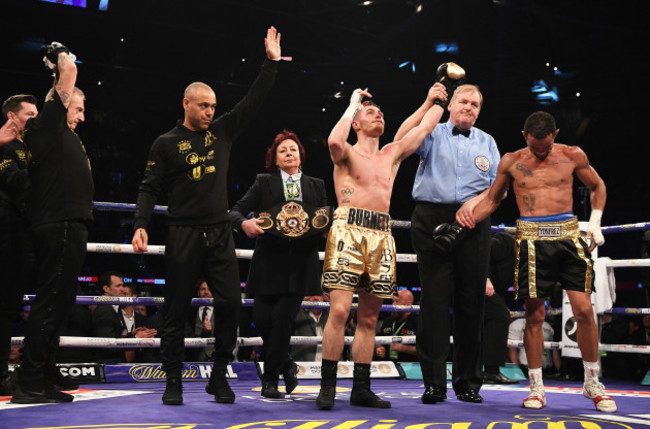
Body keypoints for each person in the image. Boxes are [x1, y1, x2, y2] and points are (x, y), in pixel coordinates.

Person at [131, 27, 283, 406]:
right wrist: (140, 224)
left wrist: (271, 64)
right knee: (175, 309)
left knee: (231, 303)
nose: (210, 112)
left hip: (218, 232)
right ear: (186, 103)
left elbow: (253, 100)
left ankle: (218, 377)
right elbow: (149, 187)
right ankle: (173, 382)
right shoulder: (165, 143)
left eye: (213, 106)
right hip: (182, 231)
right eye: (204, 106)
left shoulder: (222, 132)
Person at [461, 111, 616, 412]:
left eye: (544, 146)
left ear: (555, 135)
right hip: (531, 239)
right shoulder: (511, 161)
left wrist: (594, 222)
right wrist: (463, 223)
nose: (540, 152)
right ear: (524, 136)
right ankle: (537, 388)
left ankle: (593, 382)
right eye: (534, 146)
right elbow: (493, 199)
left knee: (584, 311)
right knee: (534, 315)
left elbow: (598, 186)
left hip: (569, 237)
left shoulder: (572, 155)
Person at [316, 82, 447, 410]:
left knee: (370, 319)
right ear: (356, 123)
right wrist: (352, 104)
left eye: (381, 113)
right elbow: (334, 139)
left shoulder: (392, 154)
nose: (379, 115)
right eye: (371, 112)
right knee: (341, 309)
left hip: (381, 233)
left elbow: (425, 126)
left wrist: (437, 98)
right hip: (348, 228)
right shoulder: (345, 153)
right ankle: (328, 385)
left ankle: (361, 387)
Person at [397, 79, 501, 404]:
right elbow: (401, 140)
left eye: (475, 104)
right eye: (465, 102)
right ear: (452, 105)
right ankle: (433, 384)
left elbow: (499, 187)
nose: (469, 108)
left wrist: (477, 204)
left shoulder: (488, 142)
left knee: (472, 302)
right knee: (434, 301)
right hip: (431, 217)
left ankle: (469, 382)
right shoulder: (434, 130)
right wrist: (429, 103)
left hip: (475, 220)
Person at [10, 42, 93, 404]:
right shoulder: (47, 126)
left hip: (67, 223)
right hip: (58, 223)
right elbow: (69, 72)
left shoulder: (62, 136)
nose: (82, 116)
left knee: (59, 303)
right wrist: (58, 52)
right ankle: (29, 381)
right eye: (78, 107)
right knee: (50, 303)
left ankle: (42, 374)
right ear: (58, 106)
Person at [229, 129, 327, 398]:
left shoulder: (316, 185)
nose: (288, 154)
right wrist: (244, 223)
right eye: (282, 150)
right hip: (267, 263)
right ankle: (286, 363)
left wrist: (327, 228)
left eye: (292, 149)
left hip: (299, 265)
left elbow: (322, 220)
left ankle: (270, 380)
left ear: (300, 156)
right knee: (262, 321)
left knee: (282, 320)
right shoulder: (263, 182)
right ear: (274, 157)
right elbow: (235, 211)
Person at [0, 94, 38, 395]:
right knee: (4, 308)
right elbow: (12, 182)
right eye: (29, 113)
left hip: (25, 233)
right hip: (8, 234)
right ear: (13, 117)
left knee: (13, 306)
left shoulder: (28, 148)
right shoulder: (7, 147)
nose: (35, 118)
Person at [92, 272, 156, 363]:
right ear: (106, 289)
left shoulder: (114, 309)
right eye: (118, 286)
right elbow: (108, 345)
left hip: (114, 365)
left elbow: (115, 336)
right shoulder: (104, 310)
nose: (122, 289)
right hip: (108, 366)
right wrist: (135, 339)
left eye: (122, 285)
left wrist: (131, 335)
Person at [483, 232, 518, 384]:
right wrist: (484, 277)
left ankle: (479, 370)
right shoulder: (508, 243)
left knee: (486, 321)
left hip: (494, 289)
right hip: (476, 281)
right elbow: (482, 250)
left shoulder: (533, 259)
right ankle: (491, 372)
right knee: (500, 315)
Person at [375, 289, 418, 362]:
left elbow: (426, 350)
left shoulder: (418, 323)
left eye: (397, 301)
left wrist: (404, 348)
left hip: (411, 366)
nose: (393, 305)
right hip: (389, 367)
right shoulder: (388, 321)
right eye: (393, 301)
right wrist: (379, 348)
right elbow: (378, 339)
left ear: (408, 305)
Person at [292, 295, 329, 362]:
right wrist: (301, 299)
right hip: (303, 366)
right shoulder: (298, 314)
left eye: (319, 295)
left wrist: (331, 299)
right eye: (312, 295)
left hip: (327, 366)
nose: (315, 298)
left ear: (323, 297)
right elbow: (288, 307)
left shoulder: (331, 315)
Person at [189, 281, 216, 362]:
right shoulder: (190, 312)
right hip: (194, 357)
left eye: (209, 289)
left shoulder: (221, 311)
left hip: (215, 357)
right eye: (203, 289)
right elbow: (187, 335)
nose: (206, 292)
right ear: (198, 292)